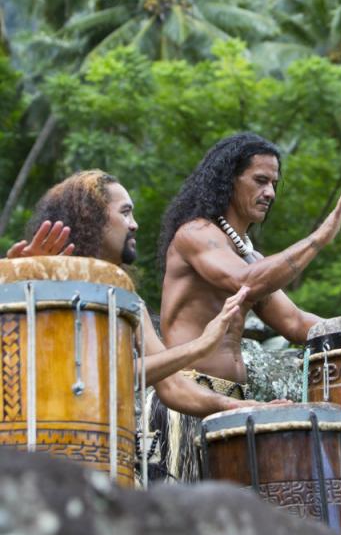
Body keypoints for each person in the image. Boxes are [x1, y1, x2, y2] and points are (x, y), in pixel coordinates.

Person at [5, 171, 281, 415]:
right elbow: (95, 376)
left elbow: (172, 385)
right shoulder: (32, 285)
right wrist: (13, 287)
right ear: (92, 218)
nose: (134, 224)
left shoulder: (129, 301)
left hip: (107, 453)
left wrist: (238, 405)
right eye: (125, 212)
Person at [159, 132, 341, 394]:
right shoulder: (195, 233)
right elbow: (244, 281)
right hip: (185, 395)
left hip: (233, 398)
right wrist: (319, 238)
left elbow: (294, 322)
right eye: (260, 181)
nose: (270, 192)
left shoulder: (251, 258)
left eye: (273, 183)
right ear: (228, 181)